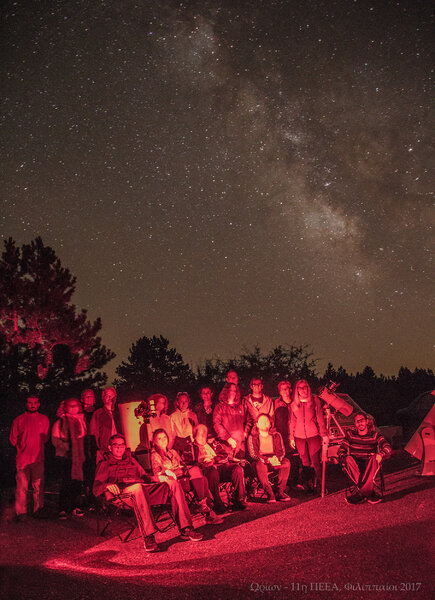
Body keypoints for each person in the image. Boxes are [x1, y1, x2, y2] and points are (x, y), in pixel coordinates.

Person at [93, 434, 203, 551]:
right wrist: (107, 485)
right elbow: (96, 487)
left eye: (122, 445)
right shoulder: (104, 464)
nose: (119, 448)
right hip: (123, 494)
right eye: (116, 445)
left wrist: (158, 478)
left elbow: (146, 478)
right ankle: (148, 536)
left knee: (172, 484)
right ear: (110, 448)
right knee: (138, 487)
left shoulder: (131, 461)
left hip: (142, 489)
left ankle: (186, 528)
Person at [151, 429, 222, 524]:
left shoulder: (173, 452)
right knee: (201, 477)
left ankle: (204, 506)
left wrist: (182, 469)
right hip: (174, 481)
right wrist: (172, 471)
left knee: (200, 474)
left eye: (164, 437)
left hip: (184, 477)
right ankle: (208, 513)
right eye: (160, 439)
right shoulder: (155, 455)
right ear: (155, 442)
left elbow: (183, 465)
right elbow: (157, 473)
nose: (163, 440)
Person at [9, 396, 49, 522]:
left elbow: (45, 438)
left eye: (35, 403)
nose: (32, 405)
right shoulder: (19, 420)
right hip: (23, 459)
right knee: (22, 486)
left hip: (38, 459)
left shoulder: (44, 419)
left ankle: (38, 509)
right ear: (26, 404)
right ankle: (21, 512)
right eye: (30, 403)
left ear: (38, 404)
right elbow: (13, 439)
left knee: (38, 486)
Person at [337, 412, 392, 504]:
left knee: (374, 458)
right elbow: (341, 450)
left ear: (367, 421)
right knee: (348, 459)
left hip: (370, 463)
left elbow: (387, 447)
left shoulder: (374, 435)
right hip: (355, 463)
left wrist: (381, 454)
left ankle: (361, 494)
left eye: (362, 420)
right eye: (357, 421)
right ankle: (369, 493)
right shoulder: (350, 434)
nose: (360, 423)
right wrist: (343, 457)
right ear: (355, 423)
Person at [193, 424, 247, 512]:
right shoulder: (191, 448)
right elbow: (189, 463)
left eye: (205, 434)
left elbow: (224, 455)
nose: (203, 437)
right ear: (194, 435)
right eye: (200, 434)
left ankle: (238, 499)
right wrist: (203, 463)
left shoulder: (213, 444)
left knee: (237, 469)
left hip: (220, 469)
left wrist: (214, 460)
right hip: (207, 473)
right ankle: (218, 503)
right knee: (212, 471)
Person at [289, 379, 328, 493]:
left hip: (313, 435)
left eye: (306, 386)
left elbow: (320, 418)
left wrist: (323, 434)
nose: (304, 389)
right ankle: (309, 485)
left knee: (316, 461)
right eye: (301, 387)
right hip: (299, 436)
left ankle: (322, 485)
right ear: (297, 390)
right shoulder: (294, 404)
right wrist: (291, 436)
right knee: (305, 462)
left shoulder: (314, 400)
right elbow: (292, 421)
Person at [52, 398, 87, 518]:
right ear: (66, 407)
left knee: (77, 482)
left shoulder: (81, 421)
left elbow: (82, 436)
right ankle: (63, 508)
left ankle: (75, 507)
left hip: (78, 457)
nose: (73, 408)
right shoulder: (60, 422)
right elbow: (55, 440)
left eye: (76, 406)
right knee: (66, 482)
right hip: (66, 457)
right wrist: (67, 447)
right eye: (70, 406)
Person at [247, 414, 291, 503]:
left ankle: (280, 491)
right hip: (261, 461)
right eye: (262, 422)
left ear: (270, 424)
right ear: (257, 424)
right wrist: (267, 460)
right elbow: (253, 454)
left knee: (286, 462)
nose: (264, 423)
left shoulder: (276, 435)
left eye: (266, 421)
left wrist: (277, 459)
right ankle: (270, 493)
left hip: (274, 459)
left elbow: (281, 451)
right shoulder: (253, 437)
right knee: (259, 465)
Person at [274, 381, 301, 488]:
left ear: (290, 389)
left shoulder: (295, 403)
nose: (286, 391)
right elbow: (273, 419)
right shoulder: (276, 404)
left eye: (287, 388)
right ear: (280, 391)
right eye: (283, 389)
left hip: (295, 434)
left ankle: (295, 482)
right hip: (282, 435)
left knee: (295, 459)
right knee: (285, 459)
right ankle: (286, 484)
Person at [214, 382, 247, 459]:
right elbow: (217, 424)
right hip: (226, 445)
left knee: (241, 467)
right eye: (230, 390)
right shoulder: (220, 407)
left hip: (240, 445)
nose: (233, 393)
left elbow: (246, 422)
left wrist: (245, 432)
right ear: (226, 391)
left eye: (234, 391)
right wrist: (228, 438)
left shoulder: (240, 407)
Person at [90, 387, 121, 462]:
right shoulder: (98, 413)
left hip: (120, 449)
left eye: (112, 396)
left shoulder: (120, 412)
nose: (110, 398)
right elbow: (93, 433)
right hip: (105, 450)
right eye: (107, 396)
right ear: (103, 398)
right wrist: (100, 449)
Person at [81, 389, 97, 507]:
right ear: (82, 399)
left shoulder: (98, 412)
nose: (88, 399)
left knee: (94, 472)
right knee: (84, 473)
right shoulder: (79, 413)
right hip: (82, 445)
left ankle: (93, 498)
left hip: (95, 445)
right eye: (86, 397)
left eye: (91, 397)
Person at [170, 392, 198, 459]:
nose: (183, 403)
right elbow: (172, 433)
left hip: (191, 443)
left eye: (185, 401)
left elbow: (197, 429)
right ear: (177, 403)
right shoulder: (172, 416)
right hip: (178, 444)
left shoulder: (192, 414)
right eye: (181, 401)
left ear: (188, 402)